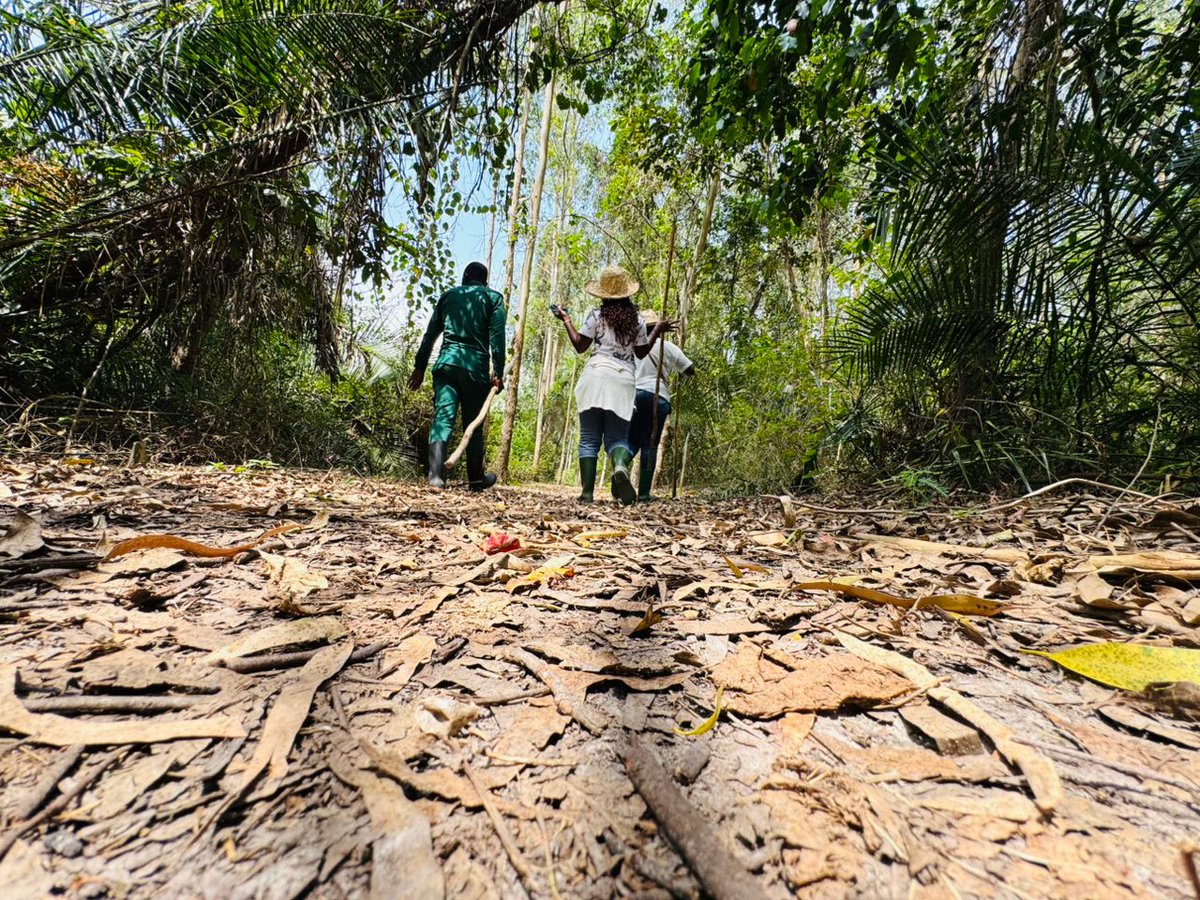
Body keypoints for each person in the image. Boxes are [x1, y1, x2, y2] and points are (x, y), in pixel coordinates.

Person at [553, 265, 674, 505]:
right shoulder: (639, 321)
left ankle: (587, 494)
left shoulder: (596, 317)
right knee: (617, 438)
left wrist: (566, 319)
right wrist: (657, 329)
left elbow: (580, 346)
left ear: (603, 295)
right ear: (627, 294)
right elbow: (640, 353)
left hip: (595, 375)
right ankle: (619, 465)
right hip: (623, 380)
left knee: (589, 438)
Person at [408, 261, 505, 491]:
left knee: (443, 417)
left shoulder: (448, 296)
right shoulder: (493, 298)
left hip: (447, 365)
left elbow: (430, 334)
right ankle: (476, 480)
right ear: (485, 281)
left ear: (464, 279)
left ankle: (435, 476)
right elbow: (498, 338)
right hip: (475, 370)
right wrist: (499, 373)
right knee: (473, 424)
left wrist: (419, 366)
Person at [628, 309, 695, 502]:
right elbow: (689, 369)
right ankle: (643, 493)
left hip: (633, 396)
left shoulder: (632, 347)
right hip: (657, 396)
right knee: (650, 444)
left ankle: (621, 468)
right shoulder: (667, 347)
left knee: (631, 440)